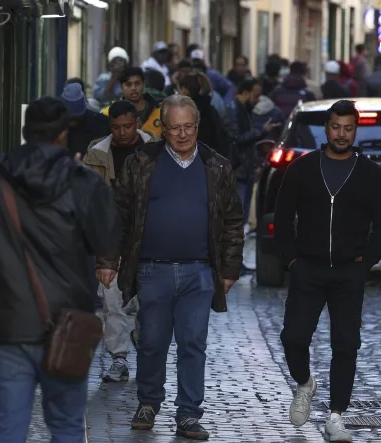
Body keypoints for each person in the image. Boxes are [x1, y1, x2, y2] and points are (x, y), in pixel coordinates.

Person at [0, 96, 120, 443]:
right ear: (63, 134)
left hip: (6, 322)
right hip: (67, 324)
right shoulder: (83, 183)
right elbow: (106, 241)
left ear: (26, 132)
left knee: (10, 429)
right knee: (67, 427)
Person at [97, 95, 244, 440]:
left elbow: (234, 221)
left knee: (193, 343)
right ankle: (148, 402)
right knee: (151, 342)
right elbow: (117, 216)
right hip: (152, 270)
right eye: (174, 128)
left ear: (197, 126)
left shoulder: (217, 166)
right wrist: (107, 260)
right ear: (162, 128)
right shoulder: (141, 163)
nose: (182, 134)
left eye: (188, 127)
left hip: (200, 271)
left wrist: (229, 269)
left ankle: (189, 414)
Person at [275, 100, 381, 442]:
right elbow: (282, 217)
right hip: (307, 269)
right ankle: (304, 383)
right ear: (326, 129)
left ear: (356, 130)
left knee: (345, 344)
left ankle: (336, 415)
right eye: (336, 127)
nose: (342, 134)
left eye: (348, 128)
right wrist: (292, 259)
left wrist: (366, 261)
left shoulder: (370, 173)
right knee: (293, 337)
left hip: (348, 273)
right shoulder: (302, 168)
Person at [83, 100, 154, 383]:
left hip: (148, 237)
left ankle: (146, 348)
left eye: (127, 126)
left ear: (137, 122)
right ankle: (119, 358)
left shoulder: (156, 150)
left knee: (147, 301)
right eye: (116, 128)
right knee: (111, 299)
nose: (122, 132)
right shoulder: (97, 154)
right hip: (110, 236)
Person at [225, 78, 281, 225]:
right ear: (245, 93)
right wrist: (261, 131)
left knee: (243, 209)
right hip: (238, 167)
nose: (257, 100)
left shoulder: (244, 109)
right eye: (255, 96)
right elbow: (237, 138)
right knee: (239, 210)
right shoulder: (234, 110)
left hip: (244, 167)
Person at [101, 67, 163, 138]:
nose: (133, 88)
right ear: (121, 87)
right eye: (128, 84)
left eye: (137, 83)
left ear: (143, 84)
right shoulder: (107, 114)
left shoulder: (160, 113)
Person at [61, 83, 110, 157]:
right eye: (70, 118)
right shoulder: (55, 126)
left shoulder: (102, 124)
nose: (72, 121)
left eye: (75, 117)